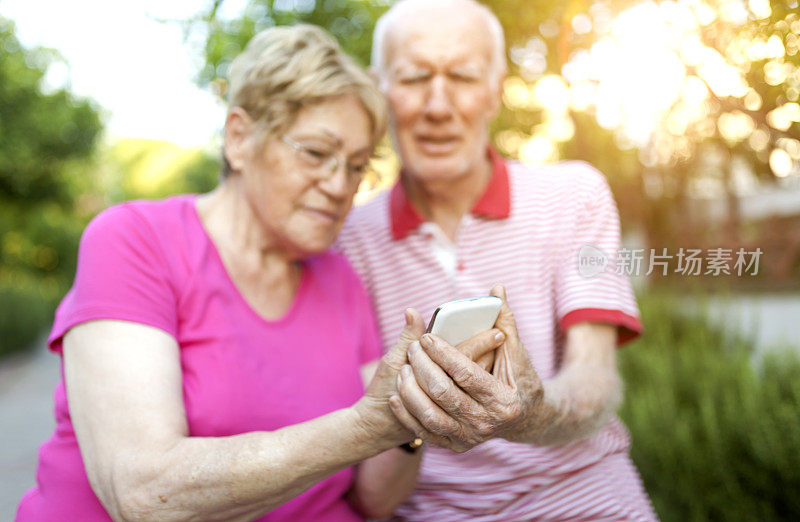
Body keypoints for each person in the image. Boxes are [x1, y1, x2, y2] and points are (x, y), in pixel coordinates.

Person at [15, 24, 504, 521]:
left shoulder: (338, 278)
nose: (341, 185)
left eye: (357, 165)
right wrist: (366, 427)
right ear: (240, 138)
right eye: (316, 153)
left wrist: (411, 416)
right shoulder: (134, 239)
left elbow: (376, 499)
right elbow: (144, 493)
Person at [335, 0, 660, 519]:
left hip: (585, 502)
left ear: (495, 90)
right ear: (380, 91)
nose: (438, 105)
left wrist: (528, 412)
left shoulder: (575, 195)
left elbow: (595, 377)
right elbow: (368, 471)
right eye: (415, 77)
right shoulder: (346, 239)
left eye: (462, 76)